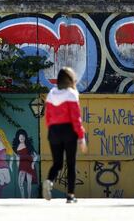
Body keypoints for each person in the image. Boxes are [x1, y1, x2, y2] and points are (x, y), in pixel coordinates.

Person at [43, 67, 88, 203]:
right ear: (71, 80)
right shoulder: (72, 94)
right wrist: (81, 137)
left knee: (57, 163)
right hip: (69, 131)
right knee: (71, 164)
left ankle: (49, 181)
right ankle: (70, 195)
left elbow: (48, 117)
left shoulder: (51, 94)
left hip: (54, 131)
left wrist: (52, 130)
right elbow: (76, 118)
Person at [12, 128, 37, 198]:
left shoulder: (29, 146)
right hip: (22, 166)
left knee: (29, 183)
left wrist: (32, 164)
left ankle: (29, 198)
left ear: (25, 137)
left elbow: (36, 156)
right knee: (20, 183)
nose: (21, 138)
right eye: (20, 137)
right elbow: (17, 158)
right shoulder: (16, 147)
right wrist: (18, 166)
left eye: (23, 136)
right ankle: (23, 198)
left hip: (29, 165)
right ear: (18, 137)